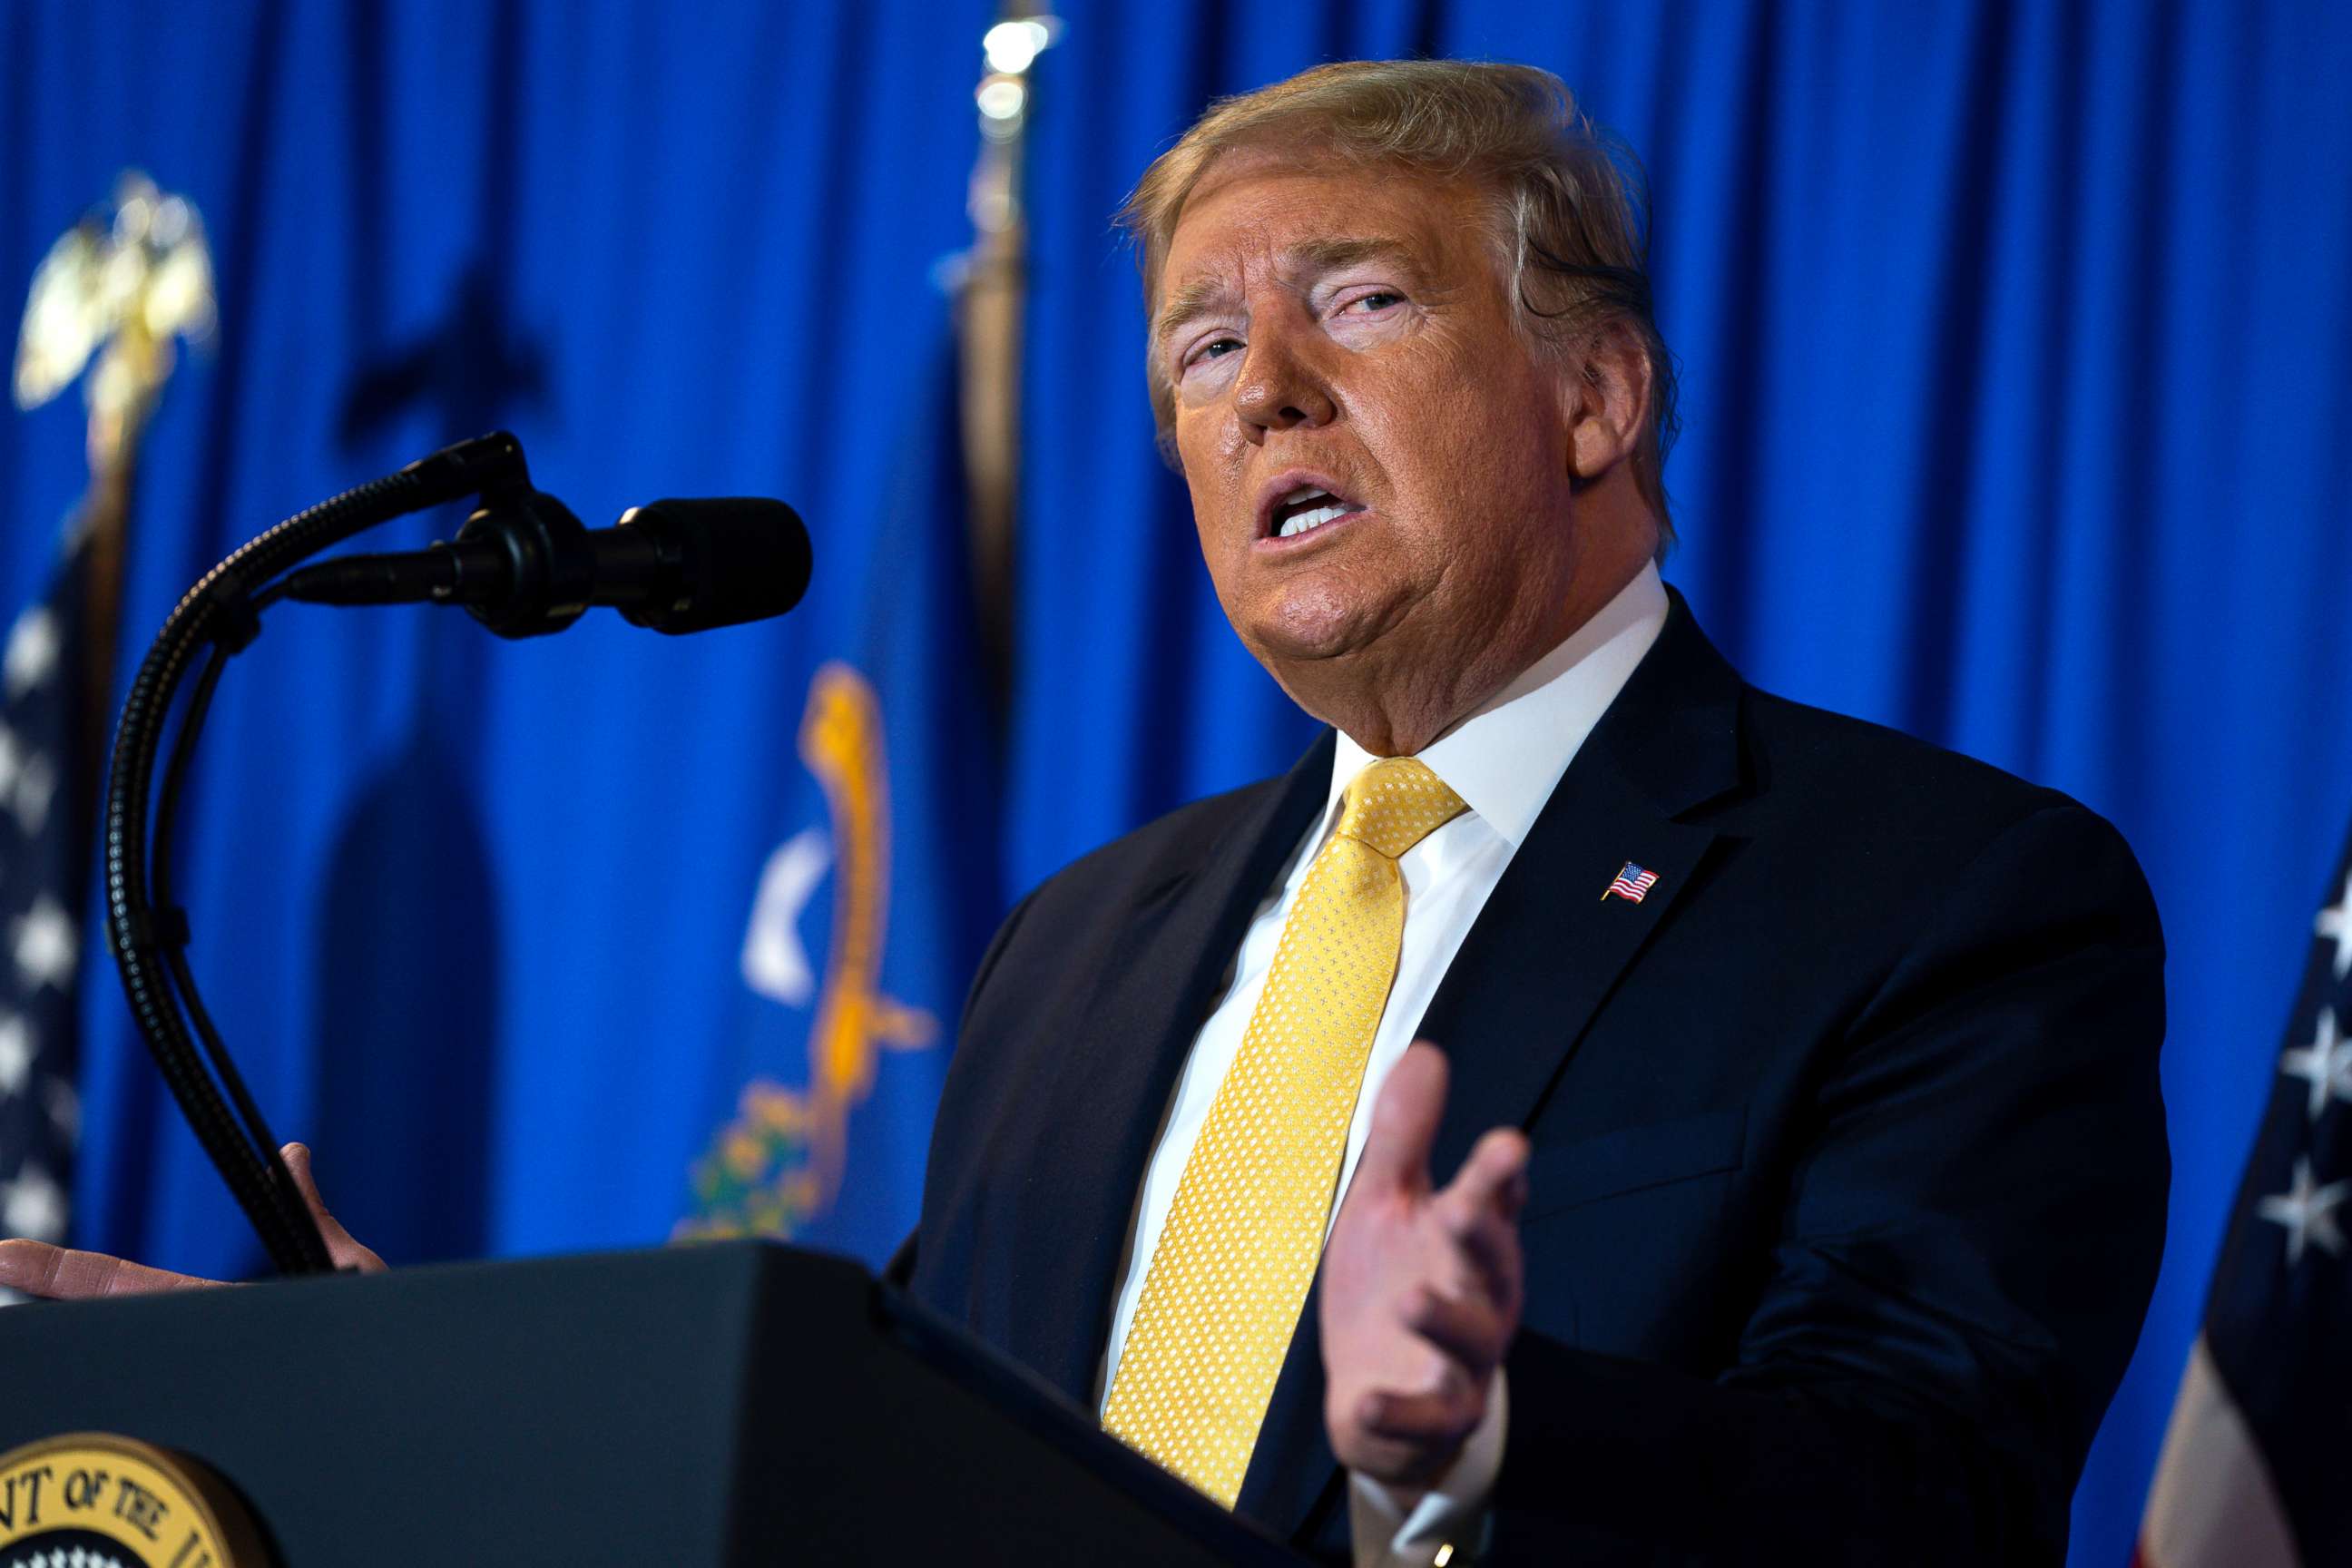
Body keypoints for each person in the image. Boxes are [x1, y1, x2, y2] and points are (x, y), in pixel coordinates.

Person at [0, 60, 2167, 1568]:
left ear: (1598, 394)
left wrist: (1480, 1439)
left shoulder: (1937, 899)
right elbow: (889, 1478)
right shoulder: (1084, 945)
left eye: (1361, 302)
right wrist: (422, 1398)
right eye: (1199, 351)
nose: (1261, 390)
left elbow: (1928, 1505)